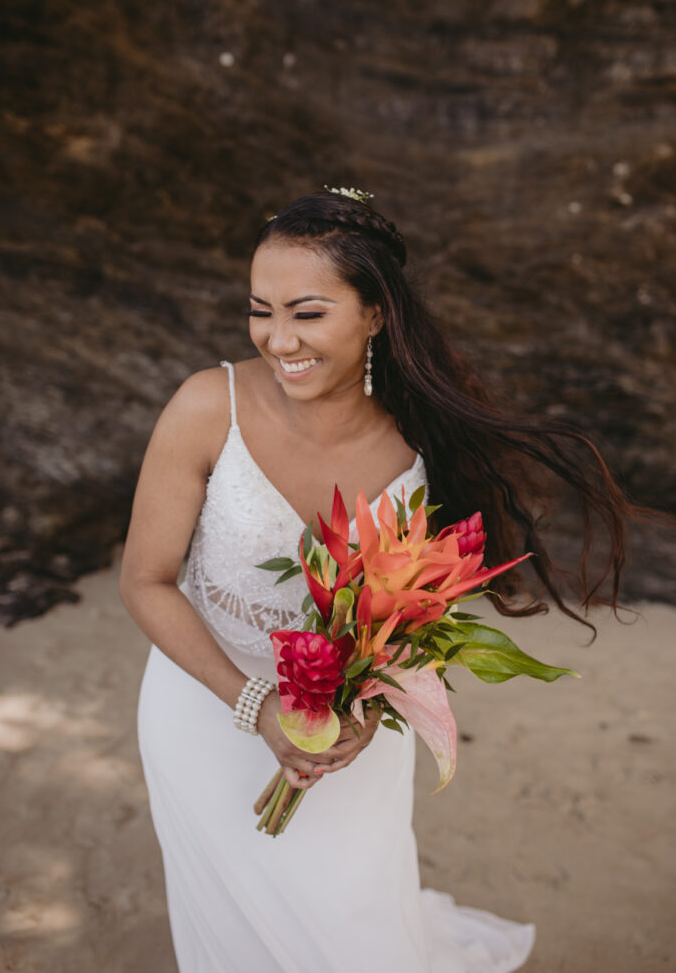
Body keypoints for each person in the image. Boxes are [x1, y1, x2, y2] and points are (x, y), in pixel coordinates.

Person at [120, 188, 640, 972]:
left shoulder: (424, 440)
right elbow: (147, 581)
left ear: (374, 314)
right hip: (204, 704)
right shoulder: (205, 406)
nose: (277, 338)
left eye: (307, 312)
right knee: (229, 919)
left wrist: (364, 705)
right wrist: (257, 705)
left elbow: (418, 601)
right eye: (260, 309)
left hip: (350, 726)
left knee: (350, 918)